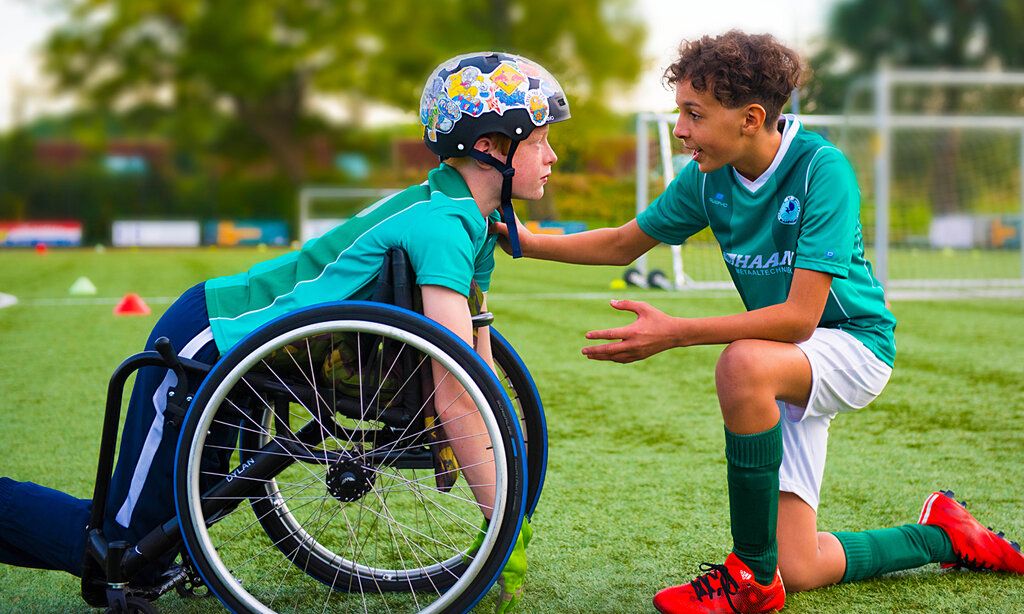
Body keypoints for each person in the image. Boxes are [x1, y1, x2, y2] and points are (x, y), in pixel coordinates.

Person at [0, 50, 569, 613]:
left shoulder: (470, 219)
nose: (553, 155)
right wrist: (503, 526)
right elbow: (456, 386)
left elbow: (477, 370)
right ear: (492, 146)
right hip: (214, 336)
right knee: (122, 548)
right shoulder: (443, 224)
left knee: (181, 520)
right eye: (540, 141)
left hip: (262, 352)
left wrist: (496, 477)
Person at [494, 31, 1024, 613]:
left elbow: (800, 319)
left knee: (743, 363)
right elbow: (623, 243)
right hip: (789, 358)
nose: (680, 130)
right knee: (802, 565)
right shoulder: (706, 179)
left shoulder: (823, 170)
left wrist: (675, 332)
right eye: (680, 113)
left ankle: (749, 577)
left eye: (694, 114)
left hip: (852, 347)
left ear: (749, 118)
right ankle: (946, 534)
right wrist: (518, 240)